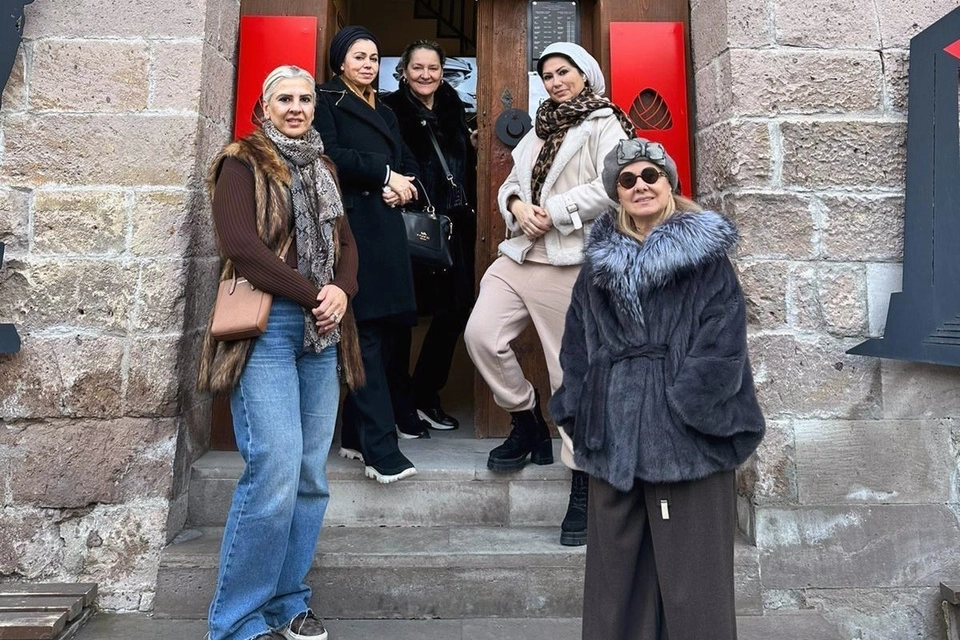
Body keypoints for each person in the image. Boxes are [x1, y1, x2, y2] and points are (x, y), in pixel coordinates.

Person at [549, 138, 766, 640]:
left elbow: (723, 344)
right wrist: (579, 413)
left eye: (651, 175)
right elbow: (577, 346)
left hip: (690, 440)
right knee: (617, 584)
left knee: (695, 585)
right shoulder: (597, 270)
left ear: (670, 183)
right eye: (627, 180)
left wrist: (684, 412)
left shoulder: (706, 260)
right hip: (613, 439)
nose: (640, 186)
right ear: (616, 193)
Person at [197, 65, 363, 640]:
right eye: (284, 98)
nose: (296, 107)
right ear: (264, 107)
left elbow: (346, 242)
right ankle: (237, 621)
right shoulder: (240, 162)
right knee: (273, 467)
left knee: (310, 475)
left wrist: (342, 291)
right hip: (267, 328)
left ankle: (288, 602)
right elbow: (241, 246)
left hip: (323, 331)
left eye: (305, 99)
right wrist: (316, 293)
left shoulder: (324, 167)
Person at [463, 42, 635, 546]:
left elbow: (612, 184)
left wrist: (555, 211)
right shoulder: (540, 127)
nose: (556, 81)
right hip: (521, 254)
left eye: (564, 72)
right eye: (548, 75)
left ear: (586, 74)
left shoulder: (605, 122)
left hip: (571, 260)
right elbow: (511, 184)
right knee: (481, 336)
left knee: (570, 373)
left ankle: (583, 480)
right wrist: (518, 206)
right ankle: (527, 421)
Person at [314, 26, 424, 483]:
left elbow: (409, 162)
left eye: (374, 58)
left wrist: (405, 187)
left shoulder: (386, 109)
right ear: (340, 61)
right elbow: (330, 154)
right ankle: (381, 450)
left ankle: (356, 437)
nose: (368, 65)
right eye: (359, 57)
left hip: (388, 230)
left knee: (389, 333)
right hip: (354, 229)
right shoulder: (325, 99)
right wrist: (384, 175)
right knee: (367, 338)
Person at [382, 40, 477, 436]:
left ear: (442, 72)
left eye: (433, 68)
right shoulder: (389, 109)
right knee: (402, 316)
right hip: (410, 224)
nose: (425, 75)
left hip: (452, 226)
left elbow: (464, 162)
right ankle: (400, 403)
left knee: (455, 310)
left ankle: (425, 393)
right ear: (404, 71)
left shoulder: (455, 107)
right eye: (417, 67)